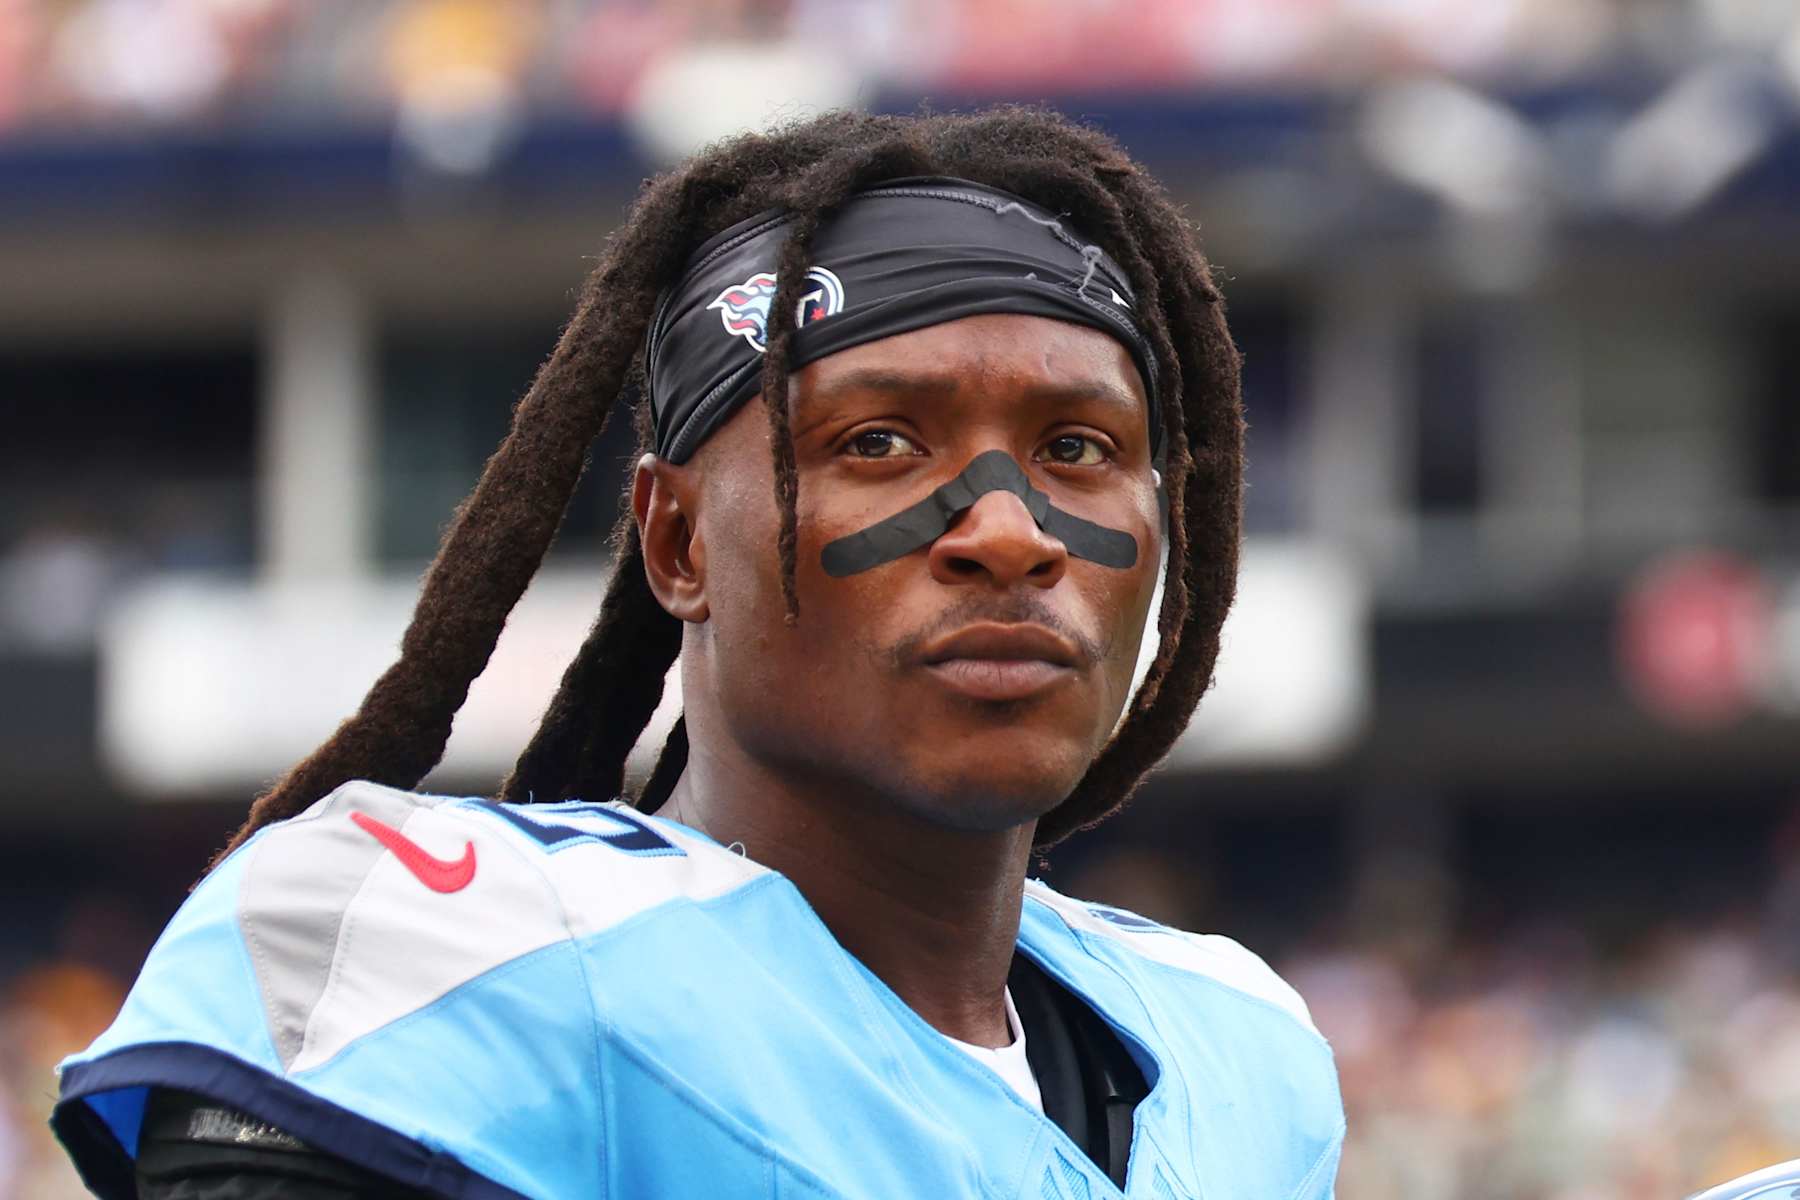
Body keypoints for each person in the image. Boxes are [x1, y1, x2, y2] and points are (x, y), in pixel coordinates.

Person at [51, 108, 1344, 1199]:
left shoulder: (1238, 1049)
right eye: (880, 443)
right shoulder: (465, 956)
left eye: (1078, 451)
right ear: (676, 542)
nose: (1008, 532)